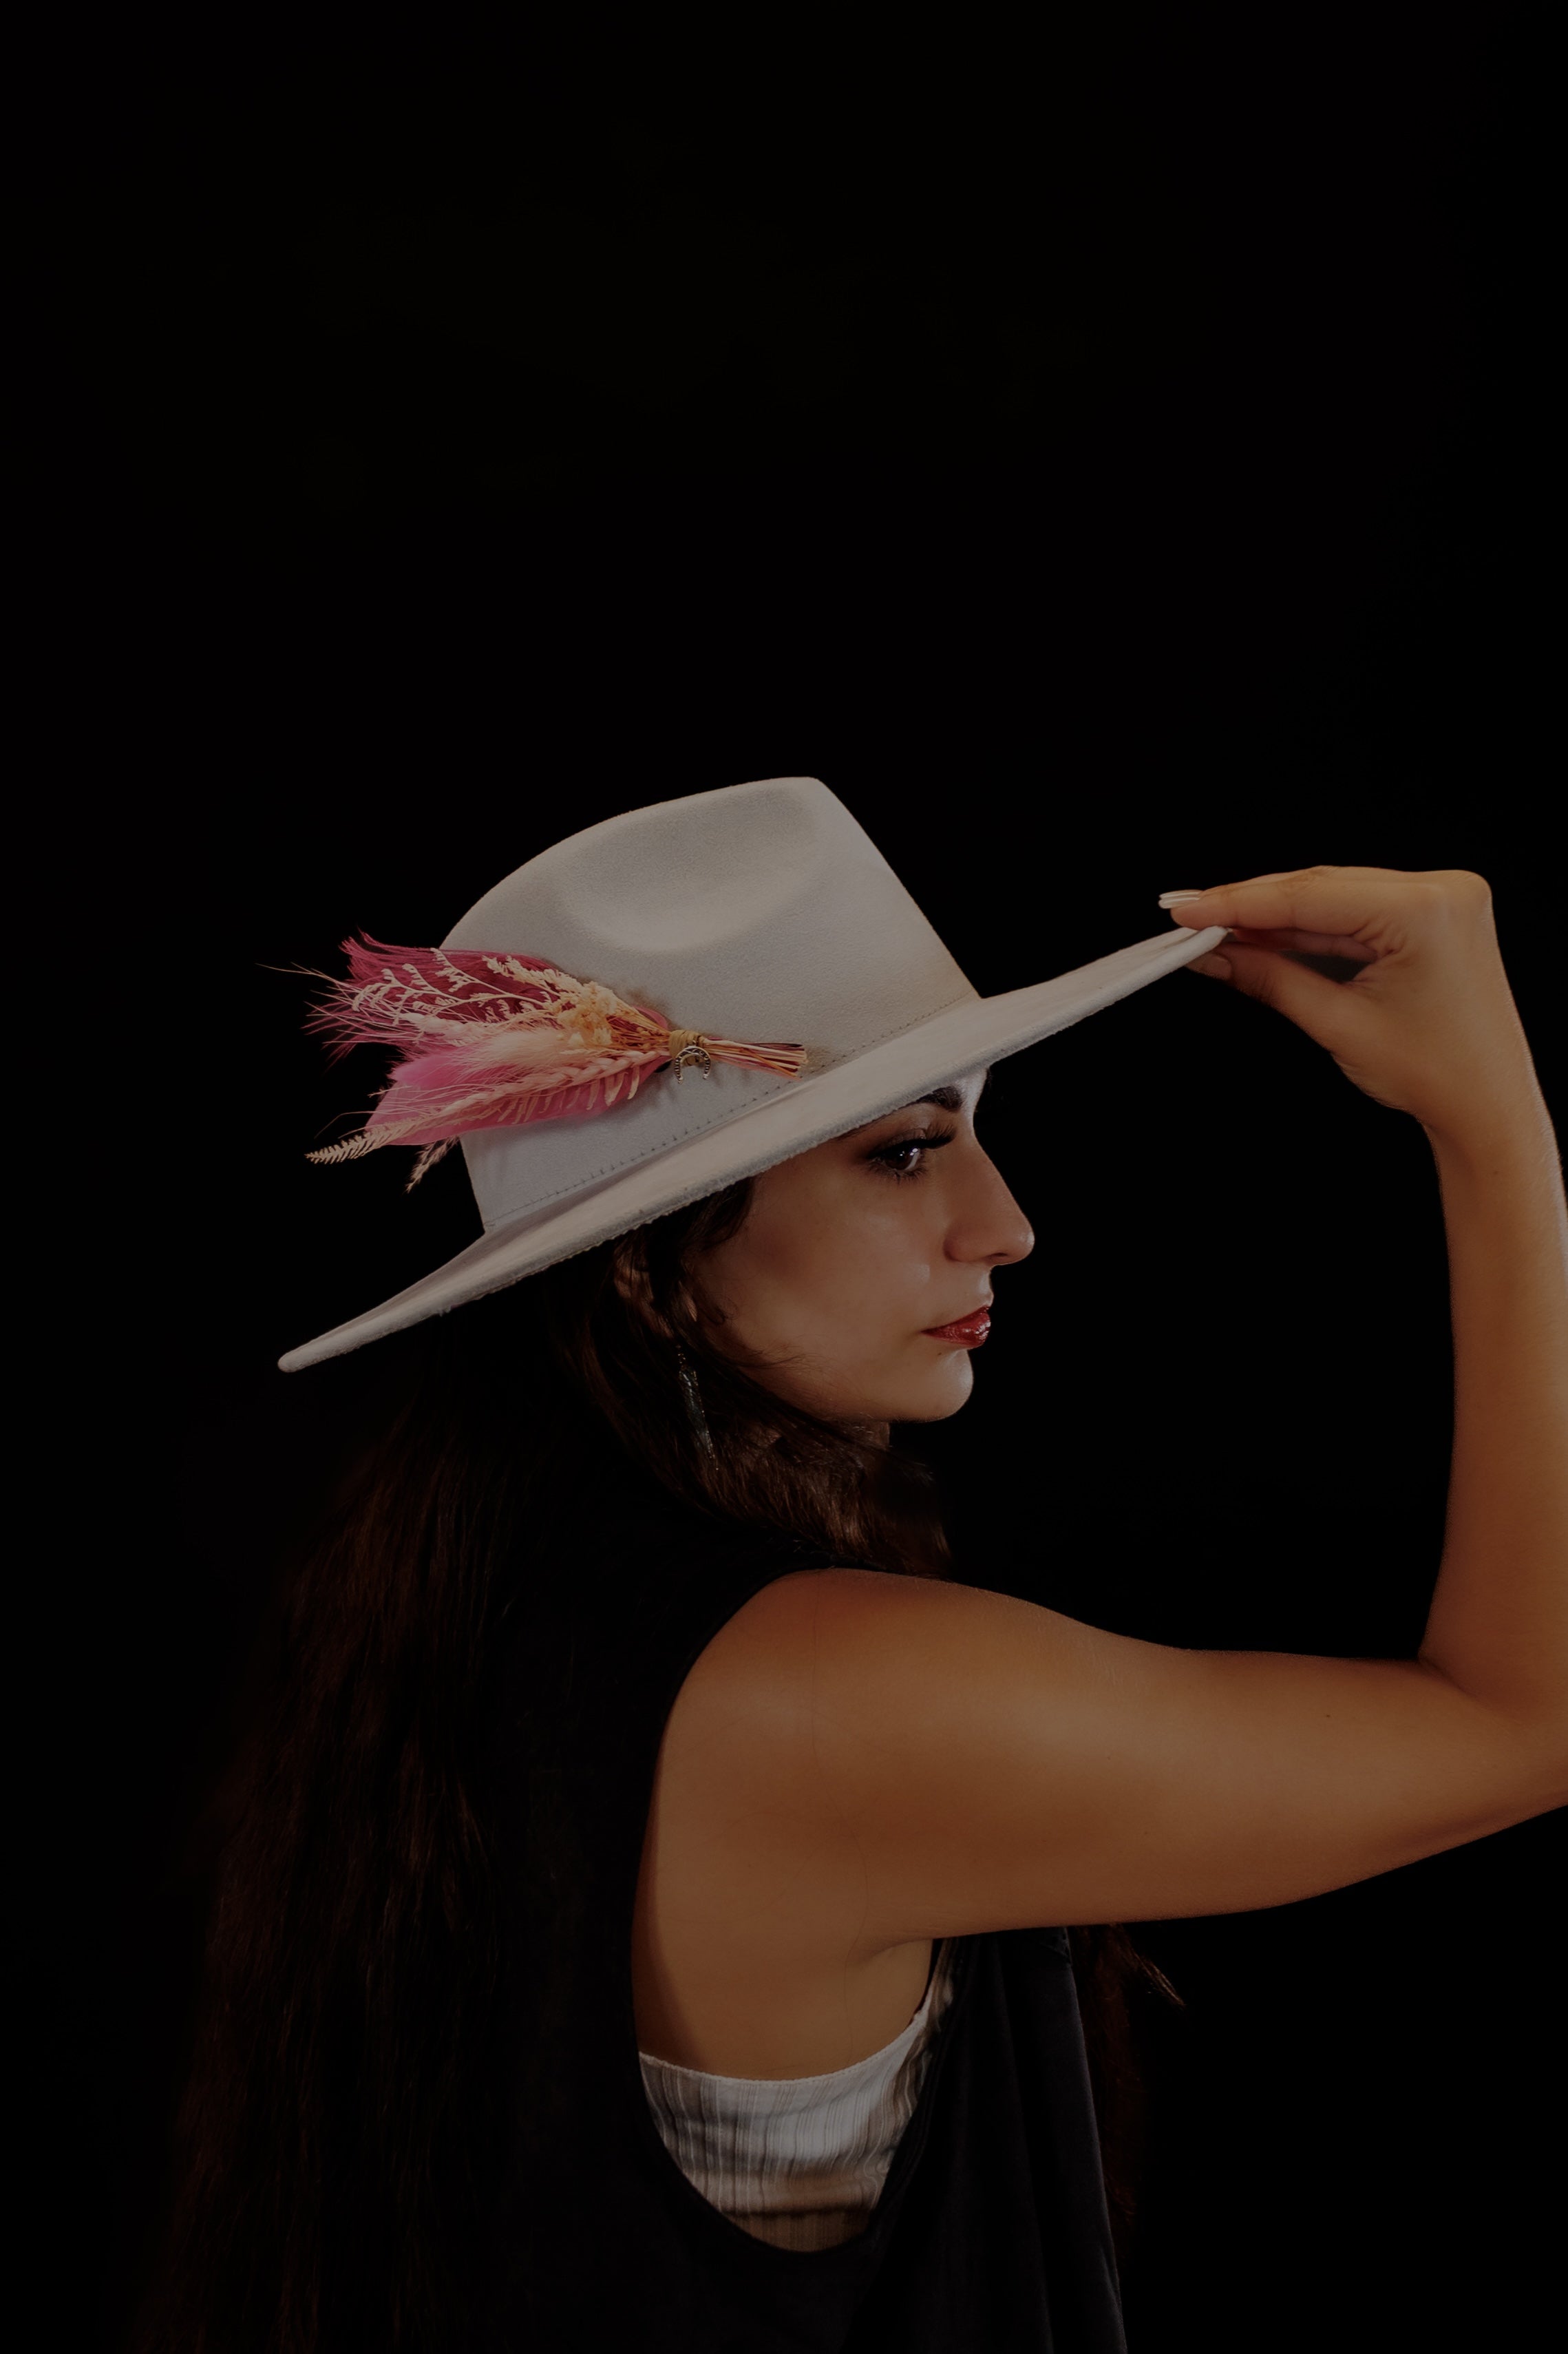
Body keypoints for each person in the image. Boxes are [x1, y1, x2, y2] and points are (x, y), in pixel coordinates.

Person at [138, 778, 1566, 2353]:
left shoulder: (467, 1601)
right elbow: (1523, 1722)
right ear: (643, 1264)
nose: (1002, 1225)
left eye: (972, 1133)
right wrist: (1491, 1125)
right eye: (901, 1154)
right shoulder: (816, 1698)